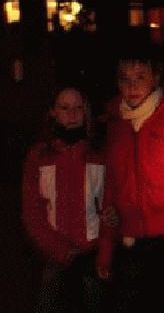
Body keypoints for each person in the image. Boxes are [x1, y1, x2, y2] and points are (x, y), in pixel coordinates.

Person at [96, 51, 164, 312]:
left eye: (140, 77)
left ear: (155, 78)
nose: (132, 86)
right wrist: (106, 248)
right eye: (124, 79)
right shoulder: (116, 126)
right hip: (131, 241)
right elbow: (111, 188)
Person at [22, 86, 105, 312]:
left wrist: (100, 249)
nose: (72, 114)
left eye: (78, 108)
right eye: (65, 108)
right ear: (53, 112)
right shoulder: (39, 156)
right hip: (53, 255)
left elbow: (109, 204)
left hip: (92, 255)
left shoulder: (99, 154)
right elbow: (32, 212)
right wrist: (61, 250)